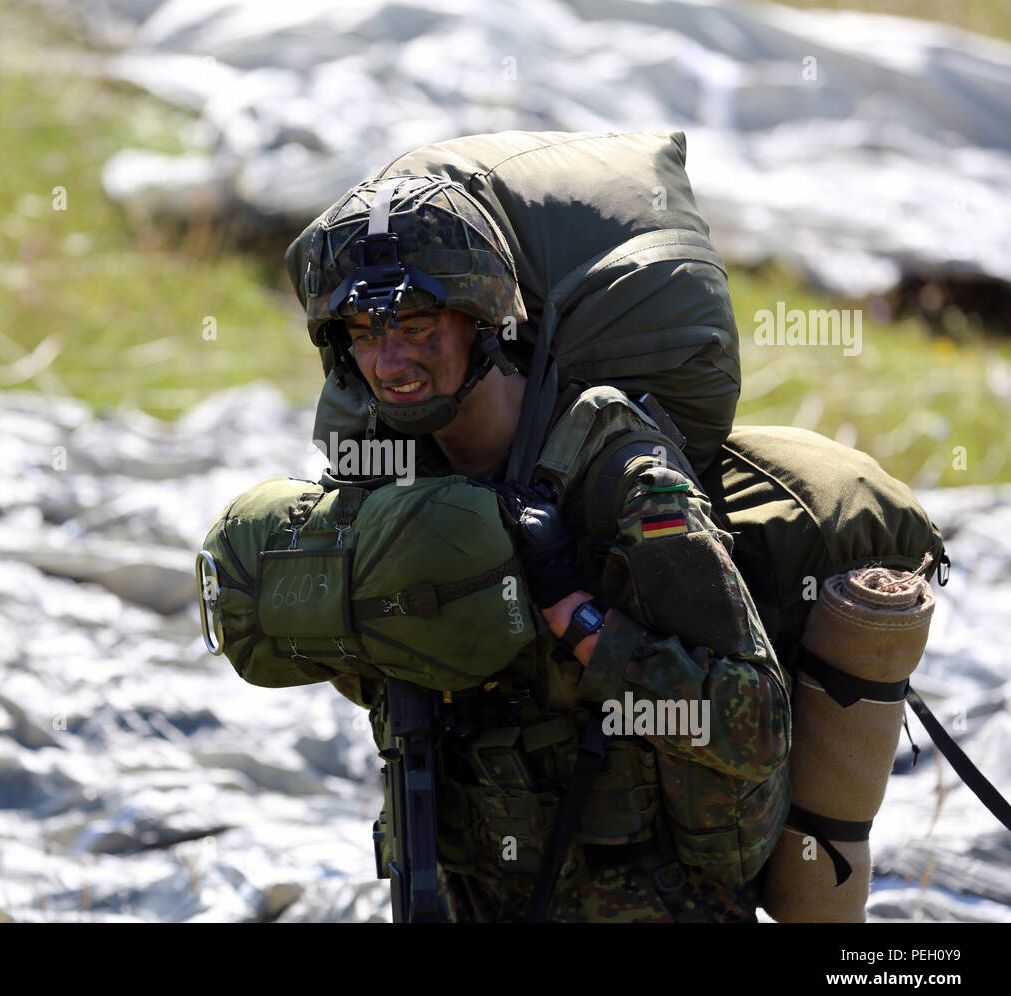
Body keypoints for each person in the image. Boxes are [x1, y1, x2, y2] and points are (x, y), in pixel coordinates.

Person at [289, 174, 791, 922]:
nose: (390, 362)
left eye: (418, 325)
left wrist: (578, 619)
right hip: (471, 890)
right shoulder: (387, 480)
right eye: (364, 331)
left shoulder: (621, 479)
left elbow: (757, 728)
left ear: (485, 321)